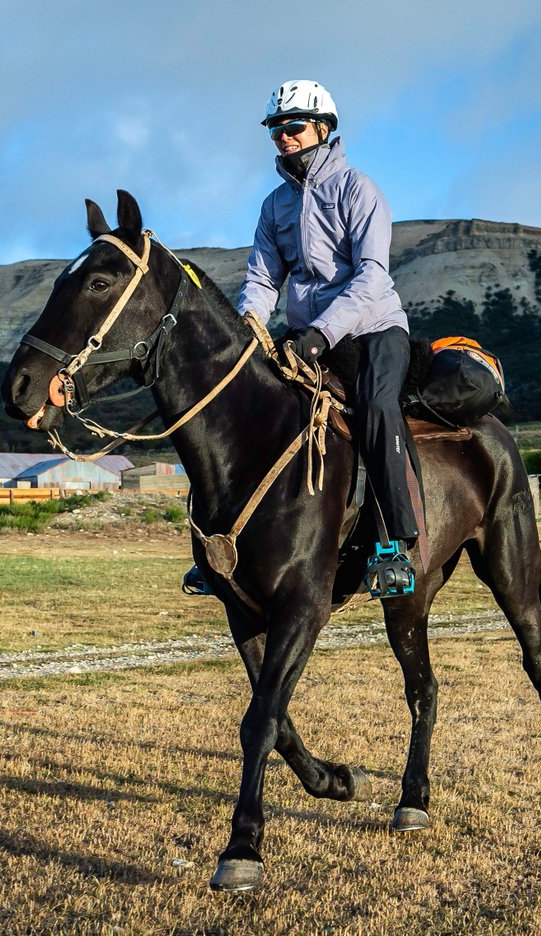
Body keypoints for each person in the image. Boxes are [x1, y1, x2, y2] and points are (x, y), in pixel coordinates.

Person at [183, 79, 418, 599]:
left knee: (377, 408)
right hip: (305, 335)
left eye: (292, 128)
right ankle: (220, 546)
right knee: (246, 411)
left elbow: (372, 274)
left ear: (323, 128)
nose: (283, 138)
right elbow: (263, 278)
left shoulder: (359, 189)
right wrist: (249, 326)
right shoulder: (274, 206)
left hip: (374, 327)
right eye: (276, 131)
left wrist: (322, 332)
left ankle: (392, 547)